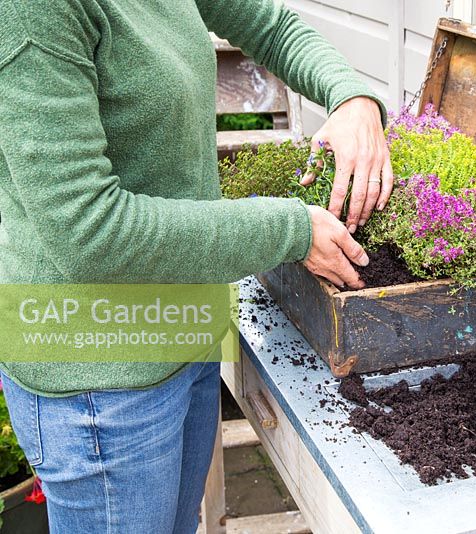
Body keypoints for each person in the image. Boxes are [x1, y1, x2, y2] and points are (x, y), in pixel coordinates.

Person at [0, 1, 392, 532]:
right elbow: (89, 228)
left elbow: (267, 23)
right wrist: (290, 229)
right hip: (99, 377)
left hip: (184, 325)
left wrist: (353, 96)